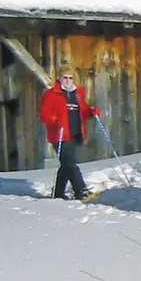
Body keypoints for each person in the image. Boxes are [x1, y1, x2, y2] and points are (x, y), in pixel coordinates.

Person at [39, 70, 102, 201]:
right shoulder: (51, 94)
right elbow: (44, 114)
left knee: (66, 164)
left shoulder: (77, 94)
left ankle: (58, 194)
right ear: (59, 78)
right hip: (60, 134)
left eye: (70, 78)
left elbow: (82, 112)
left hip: (75, 133)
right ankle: (81, 190)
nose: (68, 80)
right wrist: (53, 119)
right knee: (70, 163)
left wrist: (91, 112)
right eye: (65, 77)